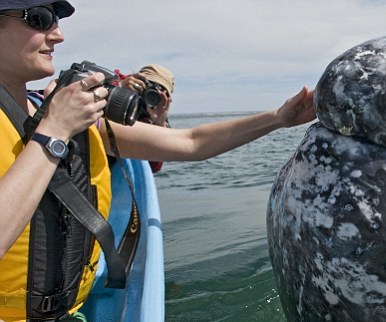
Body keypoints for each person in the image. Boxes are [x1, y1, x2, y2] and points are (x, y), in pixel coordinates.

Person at [0, 1, 315, 321]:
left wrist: (279, 118)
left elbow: (190, 143)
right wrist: (55, 129)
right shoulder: (61, 120)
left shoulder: (76, 117)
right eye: (39, 19)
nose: (58, 35)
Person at [117, 64, 175, 172]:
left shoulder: (153, 118)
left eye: (159, 92)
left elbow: (152, 168)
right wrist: (119, 90)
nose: (150, 95)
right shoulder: (115, 86)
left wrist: (159, 125)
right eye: (149, 86)